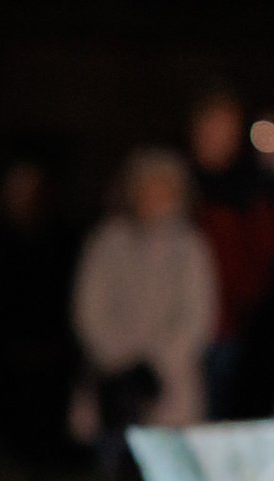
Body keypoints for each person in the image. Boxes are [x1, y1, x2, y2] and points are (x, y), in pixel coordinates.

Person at [69, 147, 218, 462]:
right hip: (112, 382)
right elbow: (89, 308)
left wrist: (157, 362)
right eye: (146, 187)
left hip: (168, 386)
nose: (154, 197)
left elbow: (197, 316)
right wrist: (119, 360)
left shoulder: (189, 247)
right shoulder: (108, 242)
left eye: (162, 188)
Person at [186, 88, 274, 419]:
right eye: (210, 125)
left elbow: (261, 266)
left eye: (226, 128)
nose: (216, 137)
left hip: (229, 332)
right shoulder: (177, 186)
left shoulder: (251, 193)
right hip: (173, 330)